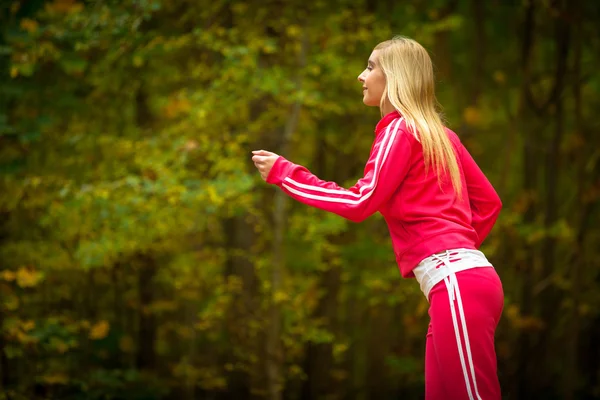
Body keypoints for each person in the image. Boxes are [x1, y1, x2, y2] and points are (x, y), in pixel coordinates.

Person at [251, 36, 503, 400]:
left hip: (456, 283)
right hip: (462, 282)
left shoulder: (399, 130)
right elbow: (489, 204)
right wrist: (449, 248)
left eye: (370, 67)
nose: (361, 76)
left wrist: (285, 173)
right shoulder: (440, 135)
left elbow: (360, 201)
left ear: (395, 77)